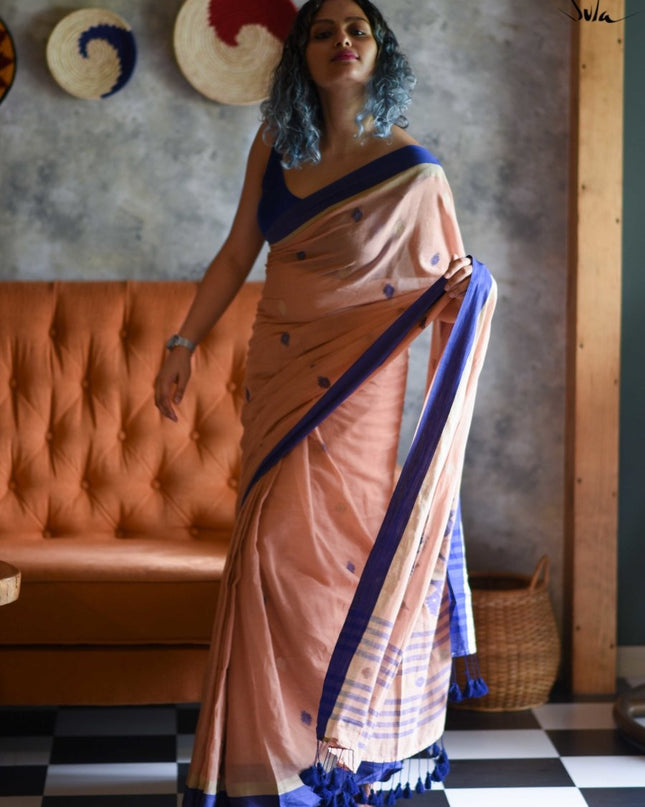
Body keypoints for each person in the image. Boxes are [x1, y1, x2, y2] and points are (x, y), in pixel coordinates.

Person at [154, 2, 496, 805]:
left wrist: (469, 285)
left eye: (357, 30)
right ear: (301, 56)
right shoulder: (276, 146)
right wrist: (181, 342)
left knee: (338, 569)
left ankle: (331, 757)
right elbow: (239, 248)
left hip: (360, 392)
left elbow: (446, 281)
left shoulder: (413, 169)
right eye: (322, 31)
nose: (341, 40)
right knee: (270, 561)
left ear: (379, 52)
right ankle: (265, 765)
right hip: (276, 376)